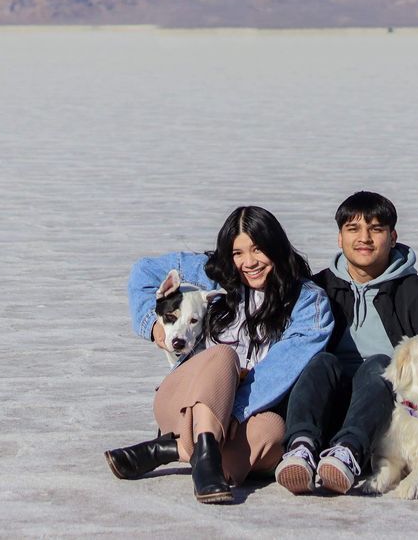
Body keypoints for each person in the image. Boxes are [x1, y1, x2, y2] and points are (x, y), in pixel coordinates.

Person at [104, 205, 333, 503]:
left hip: (244, 416)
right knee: (224, 357)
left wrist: (235, 410)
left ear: (276, 247)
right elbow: (144, 271)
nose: (249, 262)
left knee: (273, 432)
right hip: (183, 404)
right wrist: (153, 324)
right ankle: (203, 449)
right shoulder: (211, 275)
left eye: (258, 250)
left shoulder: (308, 303)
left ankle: (173, 450)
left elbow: (282, 367)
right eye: (238, 253)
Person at [274, 190, 418, 495]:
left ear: (392, 236)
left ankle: (348, 454)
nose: (364, 238)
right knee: (321, 362)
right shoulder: (317, 291)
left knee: (378, 364)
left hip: (385, 415)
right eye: (353, 229)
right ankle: (301, 449)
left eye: (376, 229)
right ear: (340, 238)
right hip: (327, 404)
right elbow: (285, 352)